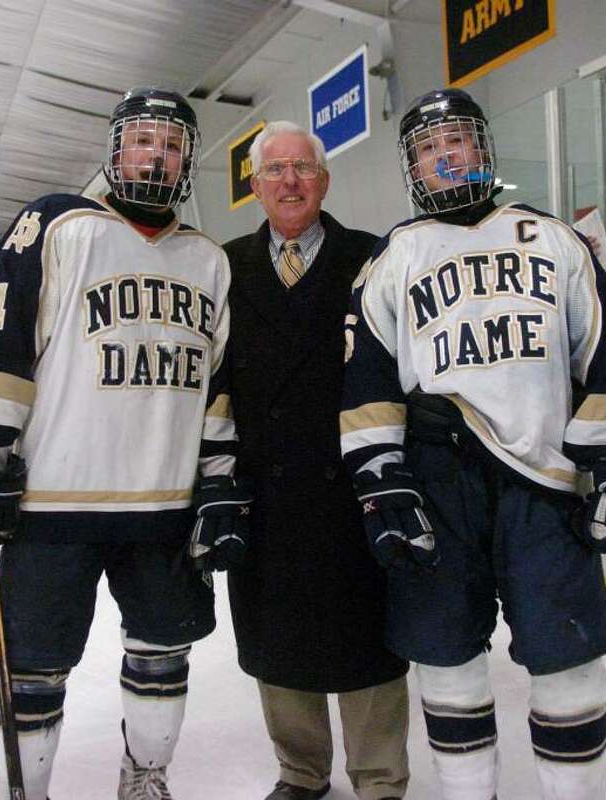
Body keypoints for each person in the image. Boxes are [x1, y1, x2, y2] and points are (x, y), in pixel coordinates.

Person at [340, 89, 606, 800]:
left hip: (545, 484)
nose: (444, 154)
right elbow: (366, 378)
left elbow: (604, 356)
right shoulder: (394, 256)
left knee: (569, 661)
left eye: (455, 141)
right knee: (446, 657)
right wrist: (380, 476)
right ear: (412, 167)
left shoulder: (556, 240)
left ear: (483, 150)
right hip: (435, 482)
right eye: (428, 147)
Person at [0, 87, 250, 800]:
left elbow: (220, 386)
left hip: (164, 506)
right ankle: (26, 790)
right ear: (116, 148)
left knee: (163, 652)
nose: (157, 154)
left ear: (188, 162)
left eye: (172, 145)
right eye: (144, 140)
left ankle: (146, 778)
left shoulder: (209, 261)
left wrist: (219, 481)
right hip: (52, 504)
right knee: (34, 668)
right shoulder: (55, 224)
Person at [223, 121, 410, 800]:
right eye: (274, 171)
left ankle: (381, 779)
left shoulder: (371, 257)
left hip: (353, 490)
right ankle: (301, 773)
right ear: (255, 187)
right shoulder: (226, 265)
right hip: (265, 494)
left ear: (325, 181)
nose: (290, 181)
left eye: (302, 168)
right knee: (278, 641)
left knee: (368, 642)